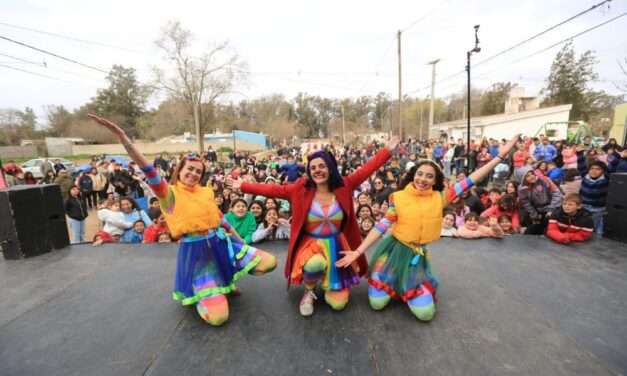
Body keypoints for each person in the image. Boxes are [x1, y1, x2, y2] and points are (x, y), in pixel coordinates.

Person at [88, 114, 277, 326]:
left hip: (221, 244)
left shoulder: (205, 192)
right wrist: (124, 138)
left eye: (198, 171)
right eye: (190, 169)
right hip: (197, 255)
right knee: (219, 318)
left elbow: (220, 219)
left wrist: (239, 240)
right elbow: (147, 169)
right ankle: (204, 290)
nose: (194, 174)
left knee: (269, 263)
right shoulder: (168, 194)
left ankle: (224, 281)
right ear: (180, 170)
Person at [335, 135, 518, 321]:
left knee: (425, 314)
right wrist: (357, 252)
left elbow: (471, 179)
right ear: (414, 174)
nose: (423, 179)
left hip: (417, 256)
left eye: (429, 176)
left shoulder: (440, 197)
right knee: (376, 304)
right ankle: (386, 282)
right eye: (420, 173)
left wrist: (499, 157)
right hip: (393, 252)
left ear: (435, 180)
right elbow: (381, 227)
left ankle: (410, 290)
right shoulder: (397, 198)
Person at [235, 137, 398, 317]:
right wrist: (242, 185)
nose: (317, 170)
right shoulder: (300, 188)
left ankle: (332, 284)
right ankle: (309, 291)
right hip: (311, 245)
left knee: (338, 304)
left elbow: (366, 170)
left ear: (330, 167)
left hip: (338, 245)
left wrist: (387, 151)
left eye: (321, 166)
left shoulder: (344, 185)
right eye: (312, 167)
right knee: (315, 264)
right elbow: (273, 190)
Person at [518, 170, 562, 235]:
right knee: (530, 230)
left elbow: (557, 194)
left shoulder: (545, 180)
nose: (531, 177)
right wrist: (534, 214)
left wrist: (551, 209)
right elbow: (526, 203)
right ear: (523, 179)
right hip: (538, 211)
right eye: (527, 176)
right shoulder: (522, 189)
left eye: (532, 174)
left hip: (552, 208)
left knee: (548, 222)